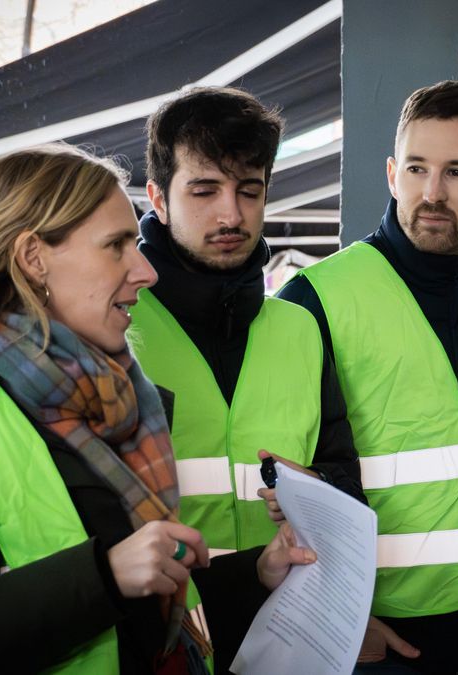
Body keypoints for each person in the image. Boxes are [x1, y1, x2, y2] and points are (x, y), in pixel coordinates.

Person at [0, 144, 314, 675]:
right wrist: (104, 577)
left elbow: (138, 614)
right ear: (33, 258)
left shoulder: (108, 390)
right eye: (117, 246)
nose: (146, 271)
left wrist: (256, 573)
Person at [278, 80, 458, 675]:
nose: (432, 193)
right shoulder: (315, 297)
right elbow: (291, 479)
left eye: (456, 172)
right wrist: (342, 612)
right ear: (393, 174)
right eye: (418, 169)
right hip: (378, 639)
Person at [133, 86, 363, 565]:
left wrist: (318, 491)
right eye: (204, 190)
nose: (231, 214)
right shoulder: (117, 327)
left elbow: (344, 480)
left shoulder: (299, 328)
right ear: (158, 198)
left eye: (249, 191)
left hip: (291, 616)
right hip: (171, 625)